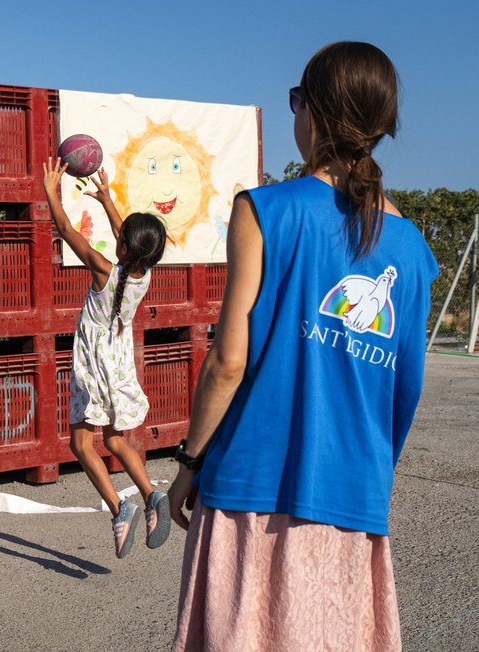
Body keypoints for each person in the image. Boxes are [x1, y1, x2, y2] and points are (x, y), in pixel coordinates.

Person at [167, 42, 438, 649]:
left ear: (311, 112)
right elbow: (405, 388)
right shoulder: (415, 252)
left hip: (249, 488)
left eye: (296, 101)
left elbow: (228, 360)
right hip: (353, 496)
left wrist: (188, 463)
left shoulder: (264, 209)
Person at [43, 158, 172, 558]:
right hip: (118, 360)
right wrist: (107, 200)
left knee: (81, 444)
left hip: (93, 361)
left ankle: (121, 508)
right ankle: (151, 494)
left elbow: (66, 230)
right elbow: (127, 238)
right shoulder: (143, 273)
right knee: (115, 438)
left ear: (123, 247)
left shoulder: (104, 270)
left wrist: (51, 189)